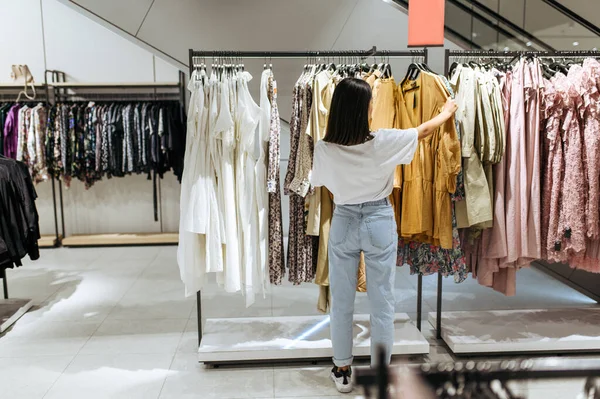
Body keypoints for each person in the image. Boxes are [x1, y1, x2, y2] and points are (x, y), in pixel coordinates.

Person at [310, 77, 458, 394]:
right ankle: (380, 375)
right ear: (365, 108)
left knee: (342, 302)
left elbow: (321, 182)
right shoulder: (383, 141)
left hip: (344, 219)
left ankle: (342, 368)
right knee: (382, 303)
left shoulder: (324, 147)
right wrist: (446, 112)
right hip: (378, 217)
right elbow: (423, 131)